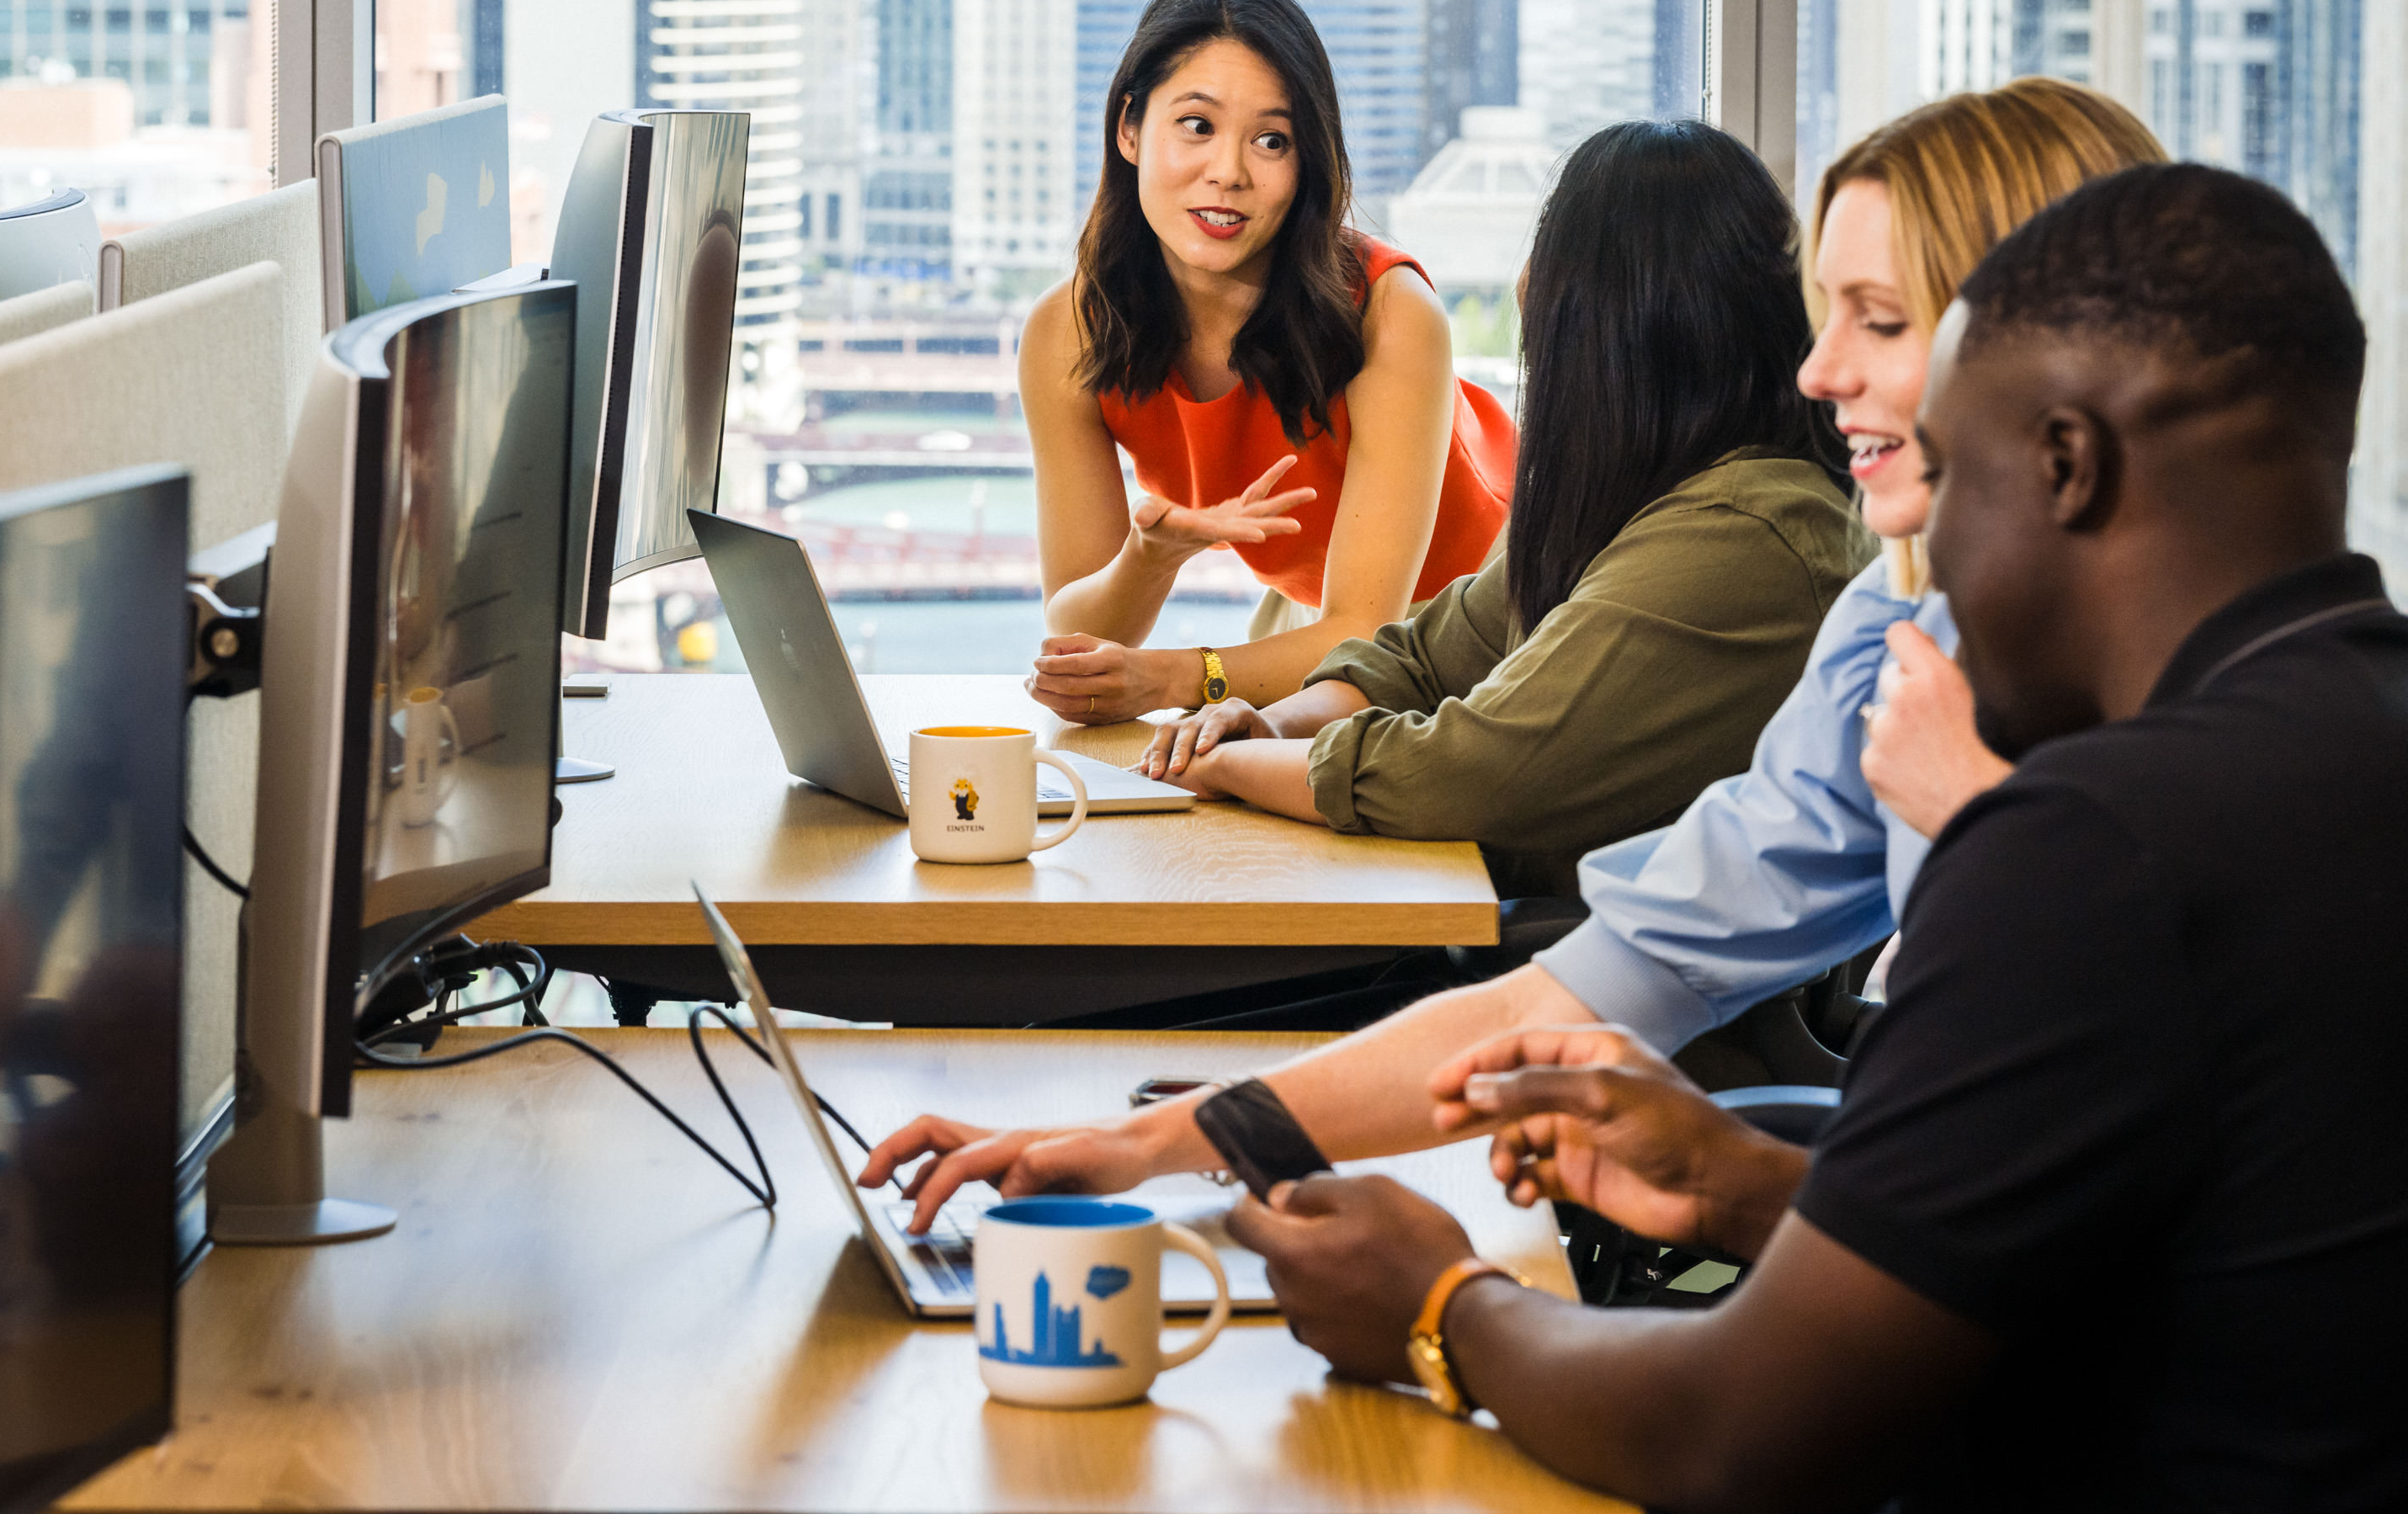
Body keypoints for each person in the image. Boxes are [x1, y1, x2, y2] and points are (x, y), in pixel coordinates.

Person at [1217, 164, 2408, 1511]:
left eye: (1952, 475)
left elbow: (1738, 1437)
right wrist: (1751, 1182)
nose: (1911, 573)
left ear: (2064, 466)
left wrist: (1443, 1303)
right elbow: (2263, 1263)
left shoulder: (2098, 844)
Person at [864, 79, 2162, 1219]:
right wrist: (1148, 1141)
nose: (1819, 371)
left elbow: (2028, 1197)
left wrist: (1452, 1311)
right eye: (1823, 313)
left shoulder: (2208, 716)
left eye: (1877, 320)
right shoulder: (1893, 636)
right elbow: (1627, 968)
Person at [1128, 120, 1871, 904]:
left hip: (1632, 1002)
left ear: (1616, 318)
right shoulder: (1640, 492)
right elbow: (1425, 657)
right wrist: (1271, 726)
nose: (1525, 285)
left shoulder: (1747, 536)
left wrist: (1230, 762)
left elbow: (1474, 771)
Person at [1021, 0, 1518, 726]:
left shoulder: (1391, 311)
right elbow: (1080, 642)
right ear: (1129, 126)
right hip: (1320, 613)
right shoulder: (1069, 329)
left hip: (1484, 610)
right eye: (1196, 125)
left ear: (1306, 163)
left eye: (1272, 140)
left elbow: (1370, 627)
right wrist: (1150, 559)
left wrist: (1168, 679)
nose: (1229, 171)